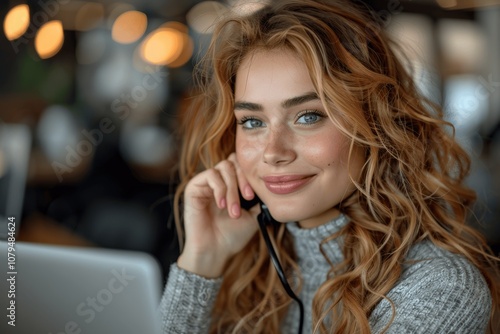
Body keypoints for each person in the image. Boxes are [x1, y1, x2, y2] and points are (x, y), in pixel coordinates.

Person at [158, 0, 500, 333]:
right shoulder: (248, 268)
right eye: (251, 121)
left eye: (308, 116)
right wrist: (202, 262)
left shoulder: (440, 289)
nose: (273, 152)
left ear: (376, 127)